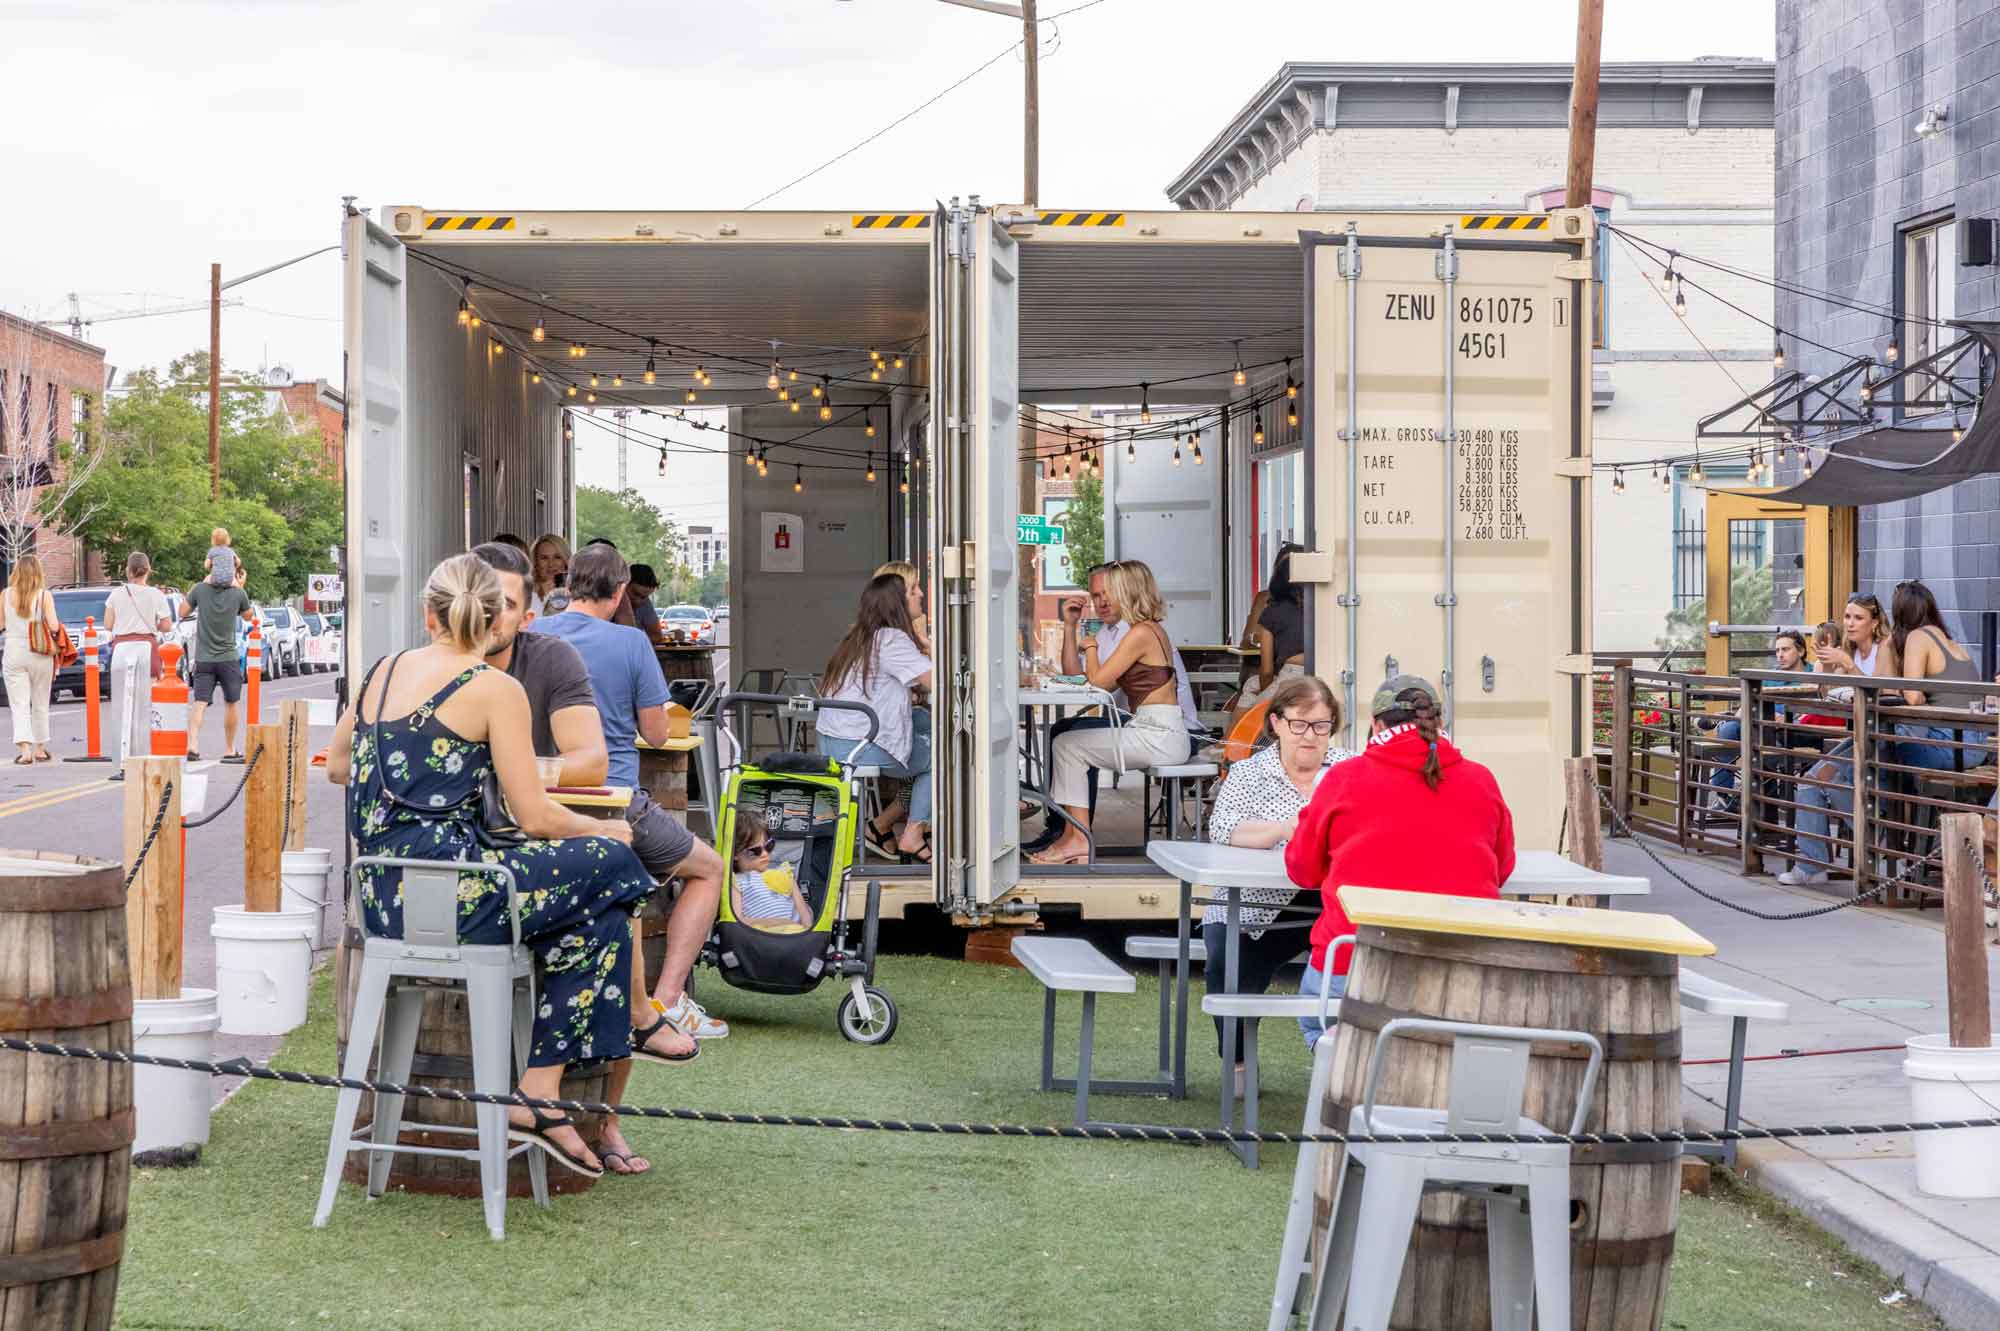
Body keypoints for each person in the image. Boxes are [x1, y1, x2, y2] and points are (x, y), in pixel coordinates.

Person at [326, 553, 669, 1180]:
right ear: (493, 619)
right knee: (616, 862)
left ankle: (542, 1091)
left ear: (427, 613)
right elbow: (535, 815)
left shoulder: (380, 672)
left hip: (382, 898)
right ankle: (624, 1029)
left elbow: (336, 765)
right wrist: (602, 828)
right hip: (460, 894)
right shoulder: (493, 688)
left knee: (597, 922)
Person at [531, 544, 729, 1058]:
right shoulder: (631, 641)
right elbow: (658, 734)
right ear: (620, 592)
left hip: (540, 800)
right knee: (709, 868)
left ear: (567, 582)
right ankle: (663, 1002)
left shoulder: (531, 636)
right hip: (611, 802)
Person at [1286, 675, 1515, 1050]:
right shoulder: (1480, 779)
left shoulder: (1344, 778)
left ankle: (1347, 1091)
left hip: (1356, 965)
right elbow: (1501, 869)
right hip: (1464, 970)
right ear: (1440, 723)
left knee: (1318, 1027)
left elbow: (1302, 870)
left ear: (1376, 725)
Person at [1202, 675, 1354, 1079]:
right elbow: (1222, 829)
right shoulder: (1250, 773)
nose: (1310, 736)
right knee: (1224, 956)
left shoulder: (1351, 768)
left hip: (1331, 901)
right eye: (1299, 724)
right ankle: (1236, 1062)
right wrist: (1286, 829)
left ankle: (1349, 1066)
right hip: (1257, 905)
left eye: (1321, 726)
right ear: (1276, 724)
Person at [1022, 561, 1202, 855]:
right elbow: (1088, 681)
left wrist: (1090, 646)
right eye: (1097, 595)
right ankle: (1071, 836)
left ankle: (1076, 838)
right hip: (1151, 727)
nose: (1102, 601)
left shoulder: (1141, 632)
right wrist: (1076, 633)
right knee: (1066, 740)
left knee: (1068, 744)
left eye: (1112, 592)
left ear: (1129, 592)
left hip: (1161, 734)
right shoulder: (1143, 630)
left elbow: (1099, 683)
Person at [1785, 590, 1923, 886]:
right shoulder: (1846, 648)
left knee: (1829, 779)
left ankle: (1881, 840)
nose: (1850, 623)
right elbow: (1826, 695)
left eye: (1858, 617)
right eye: (1847, 616)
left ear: (1874, 622)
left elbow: (1882, 694)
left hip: (1884, 738)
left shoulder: (1884, 647)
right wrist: (1825, 665)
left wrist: (1847, 665)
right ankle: (1812, 866)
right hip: (1858, 734)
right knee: (1809, 782)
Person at [816, 573, 935, 863]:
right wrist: (927, 643)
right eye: (913, 590)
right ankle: (914, 832)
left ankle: (882, 825)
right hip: (858, 746)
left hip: (835, 742)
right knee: (947, 755)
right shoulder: (891, 639)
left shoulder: (860, 637)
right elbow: (939, 682)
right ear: (897, 603)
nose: (920, 594)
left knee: (925, 723)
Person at [470, 542, 608, 787]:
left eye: (504, 603)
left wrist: (493, 776)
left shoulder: (553, 658)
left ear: (526, 619)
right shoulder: (416, 667)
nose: (489, 612)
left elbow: (592, 763)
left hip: (524, 816)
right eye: (479, 599)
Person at [103, 551, 173, 767]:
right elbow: (167, 625)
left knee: (123, 702)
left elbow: (108, 624)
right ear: (148, 571)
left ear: (128, 570)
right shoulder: (156, 595)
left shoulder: (116, 594)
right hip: (146, 647)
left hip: (122, 648)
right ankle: (145, 747)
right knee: (147, 700)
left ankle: (124, 750)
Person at [181, 558, 256, 761]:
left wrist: (195, 593)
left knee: (199, 702)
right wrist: (240, 586)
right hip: (228, 657)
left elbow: (182, 612)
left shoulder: (199, 590)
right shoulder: (238, 593)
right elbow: (249, 616)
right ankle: (230, 749)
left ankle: (193, 745)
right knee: (231, 702)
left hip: (204, 657)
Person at [0, 556, 60, 764]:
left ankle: (25, 750)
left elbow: (1, 624)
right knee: (41, 701)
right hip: (40, 651)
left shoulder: (5, 595)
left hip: (14, 650)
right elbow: (53, 627)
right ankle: (41, 748)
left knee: (19, 703)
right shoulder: (44, 596)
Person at [1238, 545, 1307, 713]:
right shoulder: (1320, 604)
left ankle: (1232, 738)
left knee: (1252, 706)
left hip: (1288, 675)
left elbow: (1266, 671)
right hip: (1319, 673)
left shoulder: (1271, 610)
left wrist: (1266, 691)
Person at [731, 811, 814, 930]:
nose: (765, 854)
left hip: (796, 935)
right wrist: (777, 923)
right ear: (735, 854)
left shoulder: (784, 873)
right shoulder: (736, 881)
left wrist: (807, 932)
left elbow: (805, 918)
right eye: (755, 851)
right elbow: (737, 920)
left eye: (769, 846)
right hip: (760, 935)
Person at [875, 560, 930, 654]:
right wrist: (929, 647)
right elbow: (932, 669)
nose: (921, 594)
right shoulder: (893, 642)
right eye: (912, 589)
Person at [529, 533, 570, 617]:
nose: (551, 564)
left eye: (557, 557)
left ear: (565, 561)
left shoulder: (579, 592)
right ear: (535, 562)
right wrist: (543, 598)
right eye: (544, 558)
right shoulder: (526, 593)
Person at [622, 564, 663, 640]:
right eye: (635, 594)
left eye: (644, 597)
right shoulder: (609, 602)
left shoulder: (645, 603)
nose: (638, 601)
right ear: (624, 586)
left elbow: (656, 636)